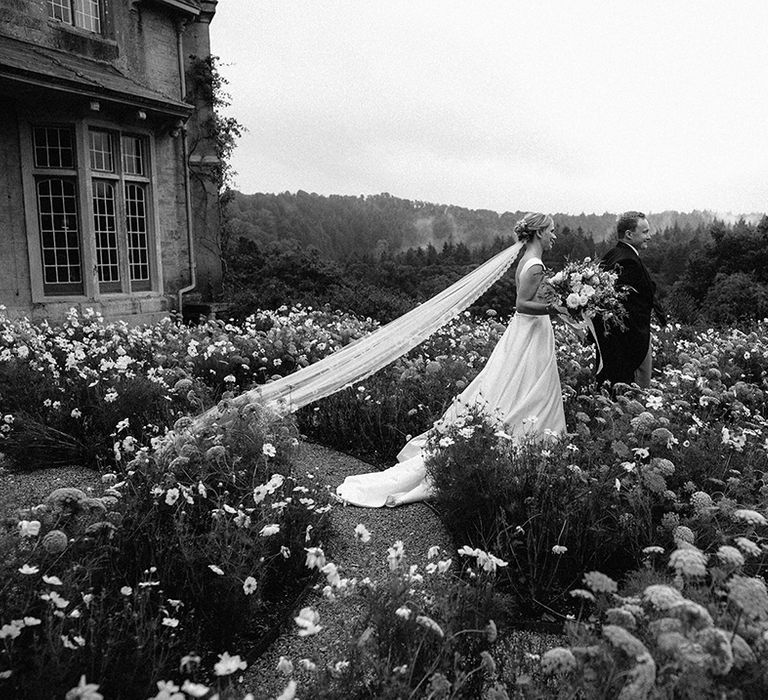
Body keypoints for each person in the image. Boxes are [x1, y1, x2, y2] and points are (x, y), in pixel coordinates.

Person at [336, 212, 569, 508]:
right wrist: (558, 310)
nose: (554, 236)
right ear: (538, 233)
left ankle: (532, 446)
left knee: (517, 387)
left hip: (529, 333)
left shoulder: (528, 260)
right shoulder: (534, 265)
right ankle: (529, 449)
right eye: (551, 231)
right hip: (530, 333)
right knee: (525, 388)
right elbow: (523, 304)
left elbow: (533, 299)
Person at [592, 211, 666, 388]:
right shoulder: (627, 261)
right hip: (630, 344)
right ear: (629, 234)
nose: (649, 236)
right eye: (645, 232)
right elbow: (626, 307)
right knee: (635, 391)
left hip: (617, 342)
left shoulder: (613, 254)